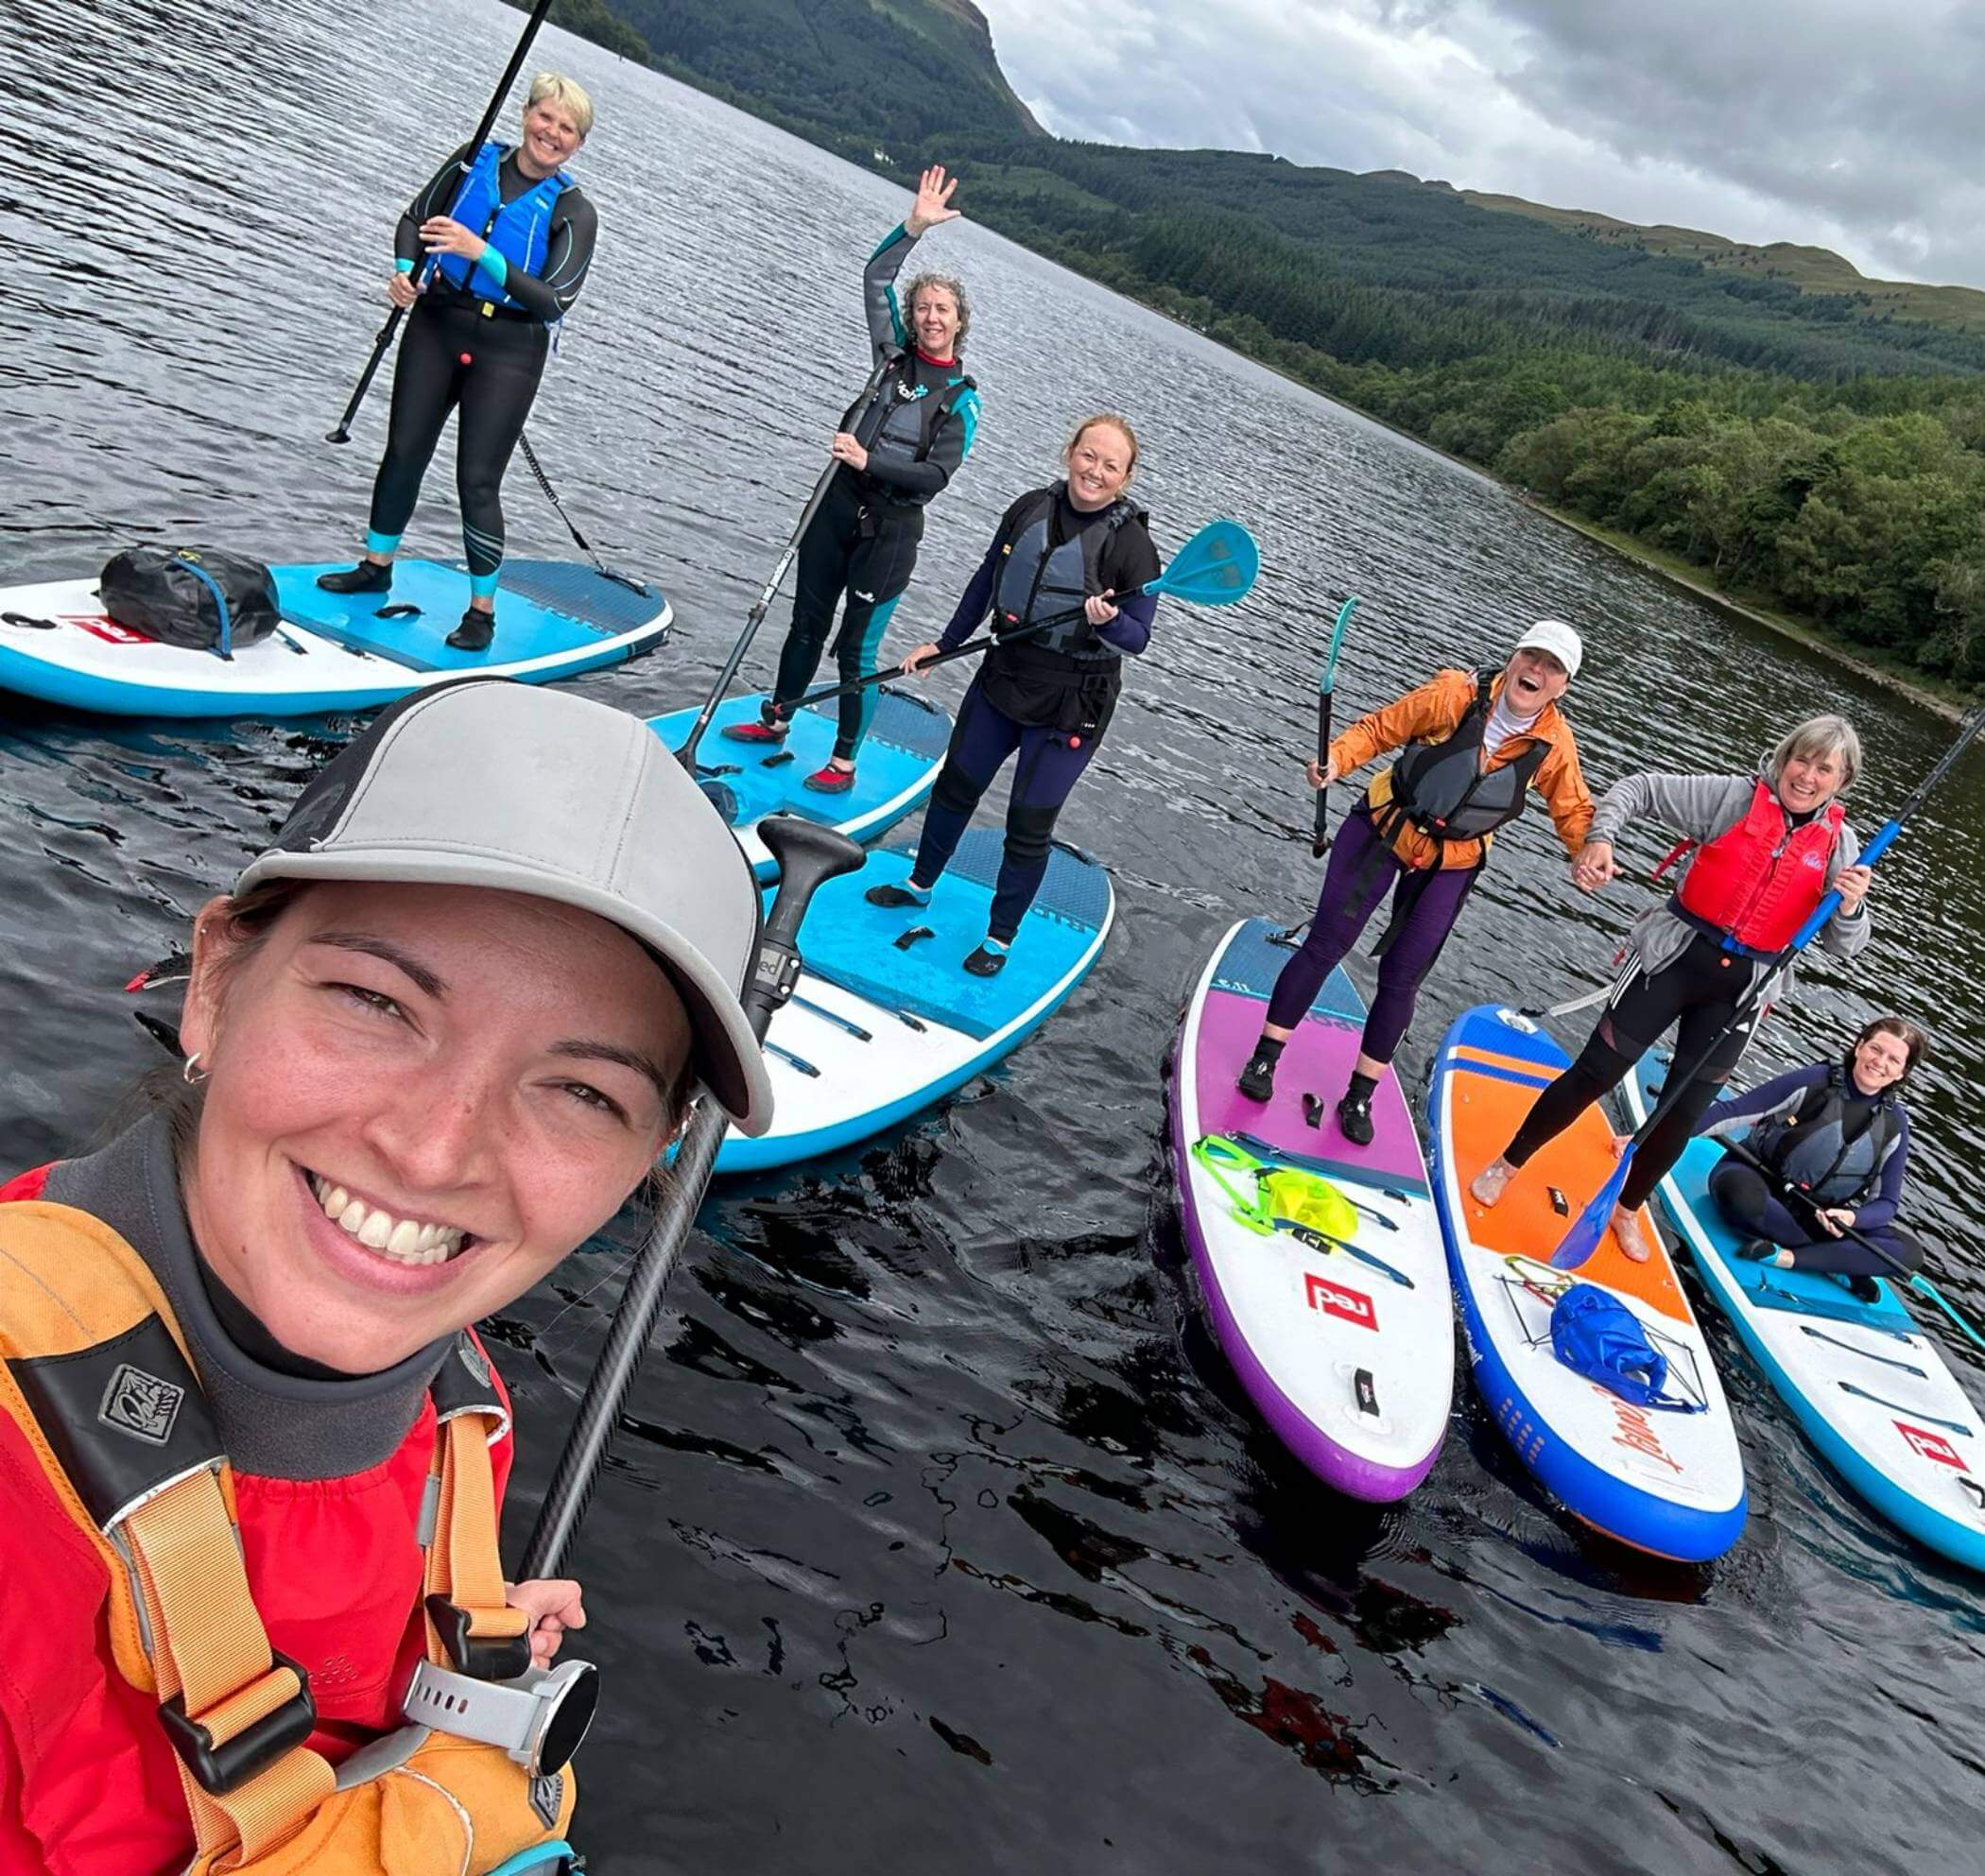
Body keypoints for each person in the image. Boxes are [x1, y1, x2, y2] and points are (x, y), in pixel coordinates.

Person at [0, 679, 773, 1873]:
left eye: (581, 1091)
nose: (433, 1150)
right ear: (214, 980)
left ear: (649, 1159)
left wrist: (457, 1678)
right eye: (376, 1001)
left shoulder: (459, 1409)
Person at [1471, 714, 1876, 1261]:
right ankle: (1509, 1161)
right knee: (1597, 1073)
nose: (1806, 776)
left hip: (1742, 991)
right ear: (1784, 758)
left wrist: (1850, 906)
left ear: (1840, 780)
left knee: (1682, 1113)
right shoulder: (1731, 799)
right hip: (1675, 958)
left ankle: (1628, 1207)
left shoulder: (1841, 846)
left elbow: (1844, 945)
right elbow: (1638, 788)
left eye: (1823, 769)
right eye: (1800, 760)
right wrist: (1601, 838)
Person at [1235, 623, 1596, 1144]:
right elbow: (1381, 729)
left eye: (1552, 667)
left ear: (1562, 687)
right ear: (1514, 659)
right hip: (1384, 828)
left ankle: (1360, 1093)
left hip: (1450, 861)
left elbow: (1574, 812)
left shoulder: (1555, 745)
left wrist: (1590, 851)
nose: (1537, 670)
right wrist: (1336, 760)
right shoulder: (1454, 694)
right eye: (1532, 657)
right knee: (1326, 945)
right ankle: (1265, 1059)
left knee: (1403, 977)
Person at [861, 415, 1161, 974]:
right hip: (1004, 674)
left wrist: (1109, 623)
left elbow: (1138, 638)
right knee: (956, 786)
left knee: (1028, 823)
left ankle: (999, 938)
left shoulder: (1135, 548)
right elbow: (985, 581)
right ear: (1069, 452)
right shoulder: (1029, 509)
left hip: (1074, 700)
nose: (1094, 471)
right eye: (1088, 455)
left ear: (1125, 478)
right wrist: (945, 645)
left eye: (1110, 465)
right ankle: (920, 883)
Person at [317, 74, 602, 653]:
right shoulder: (472, 161)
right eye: (546, 118)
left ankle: (481, 612)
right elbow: (414, 221)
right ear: (526, 114)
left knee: (476, 480)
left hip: (511, 348)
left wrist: (483, 254)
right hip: (437, 323)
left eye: (567, 129)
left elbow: (554, 299)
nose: (552, 133)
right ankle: (375, 565)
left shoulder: (574, 211)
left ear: (577, 144)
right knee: (403, 451)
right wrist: (404, 270)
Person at [723, 164, 981, 793]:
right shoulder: (890, 355)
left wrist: (869, 461)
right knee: (805, 622)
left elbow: (934, 477)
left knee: (855, 651)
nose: (929, 316)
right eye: (922, 307)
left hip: (890, 532)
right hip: (836, 507)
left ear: (959, 321)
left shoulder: (962, 401)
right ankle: (778, 718)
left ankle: (843, 762)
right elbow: (876, 277)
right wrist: (914, 225)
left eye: (941, 309)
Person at [1700, 1015, 1927, 1295]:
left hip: (1817, 1214)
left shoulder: (1895, 1124)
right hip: (1753, 1178)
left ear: (1902, 1073)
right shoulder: (1814, 1082)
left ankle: (1790, 1259)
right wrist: (1659, 1132)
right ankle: (1834, 1261)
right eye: (1875, 1049)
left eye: (1893, 1060)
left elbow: (1886, 1203)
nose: (1880, 1062)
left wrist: (1851, 1219)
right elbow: (1733, 1112)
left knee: (1909, 1252)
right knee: (1740, 1195)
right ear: (1858, 1047)